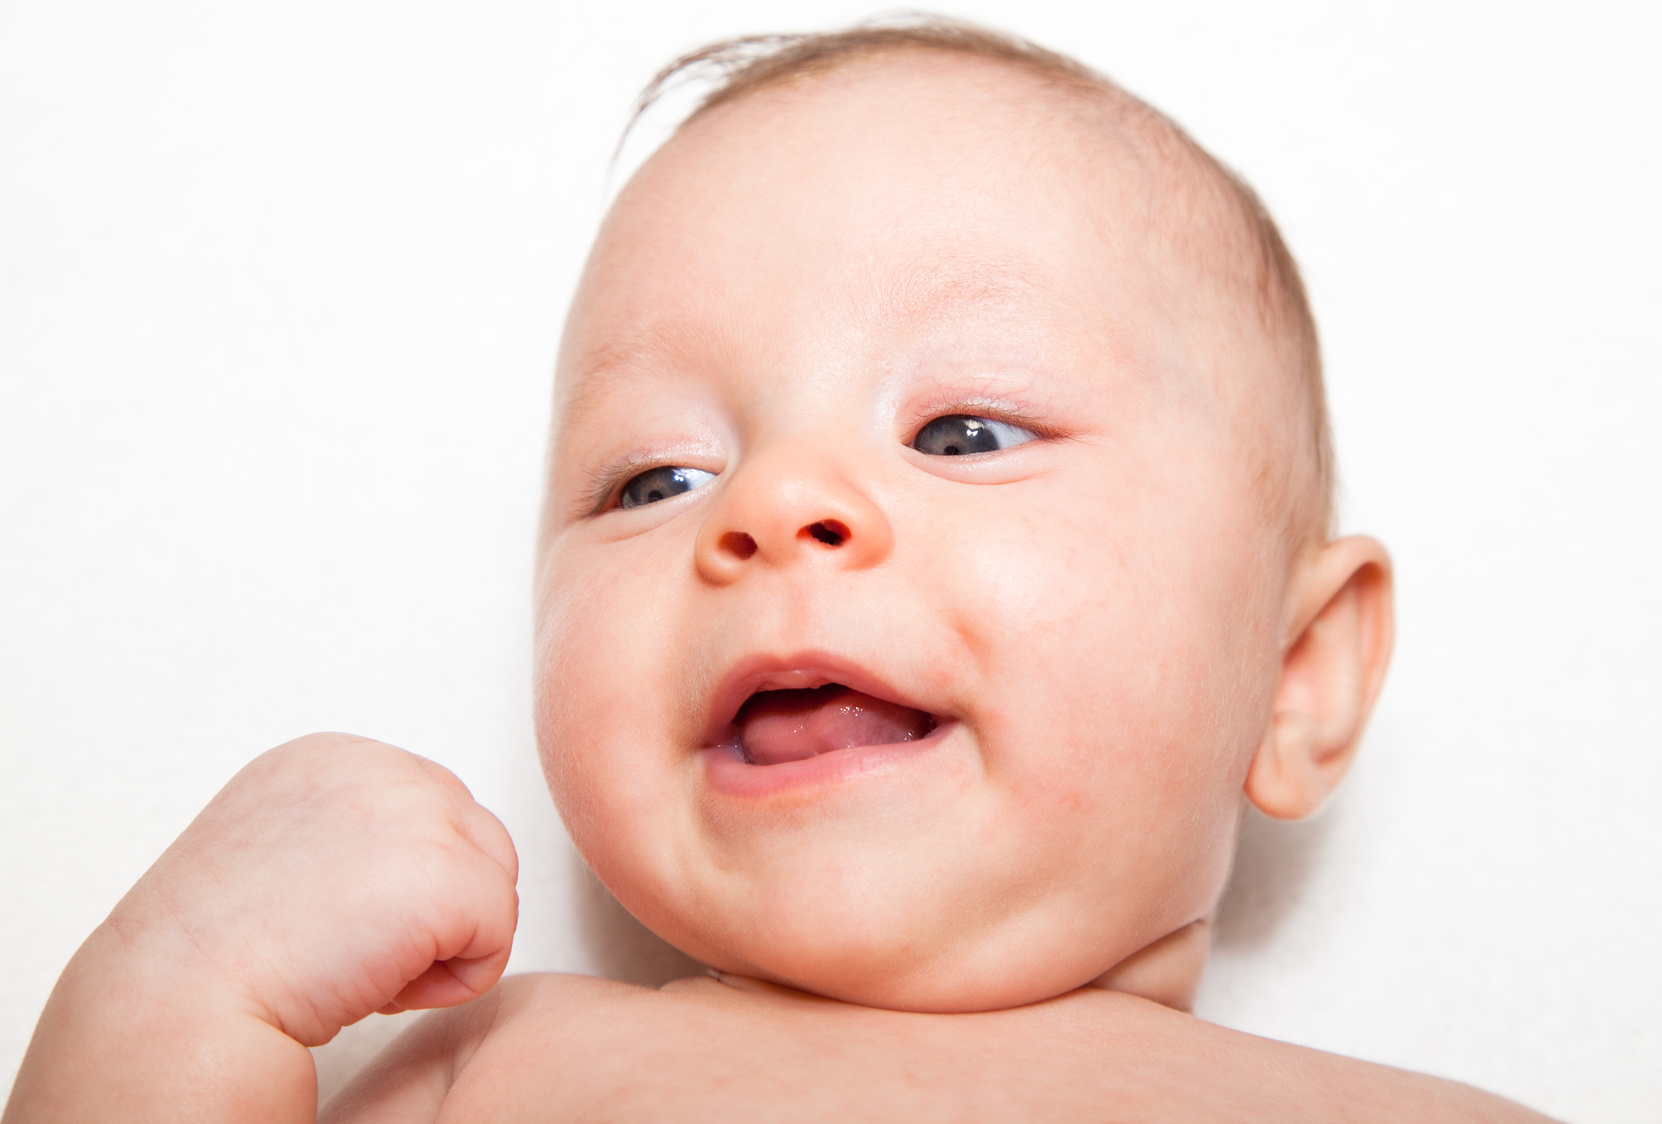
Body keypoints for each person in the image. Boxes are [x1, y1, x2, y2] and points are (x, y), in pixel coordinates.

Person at [2, 19, 1555, 1122]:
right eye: (653, 478)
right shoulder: (476, 1074)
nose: (770, 503)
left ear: (1295, 679)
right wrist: (178, 992)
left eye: (963, 430)